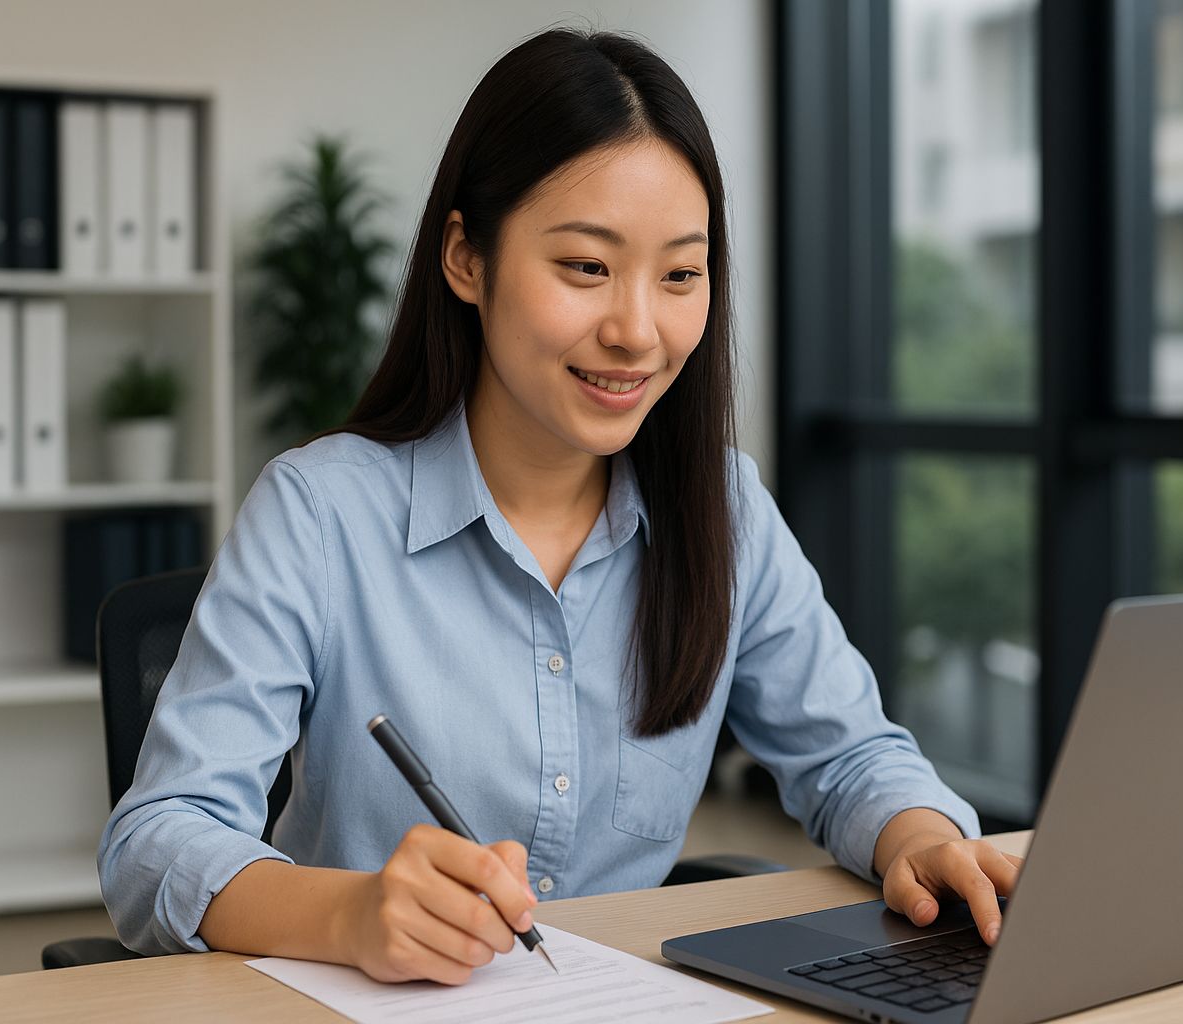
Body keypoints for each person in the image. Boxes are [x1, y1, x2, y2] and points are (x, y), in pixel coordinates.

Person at [98, 27, 1024, 985]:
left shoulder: (726, 509)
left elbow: (852, 755)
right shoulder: (321, 512)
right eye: (586, 267)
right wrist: (352, 911)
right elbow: (157, 839)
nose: (635, 330)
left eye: (679, 274)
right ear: (467, 259)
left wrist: (918, 837)